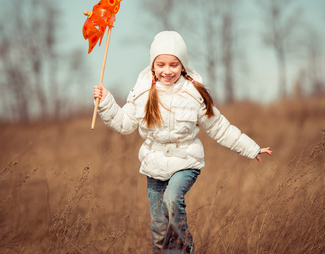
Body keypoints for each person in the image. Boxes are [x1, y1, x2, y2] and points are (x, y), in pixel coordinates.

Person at [93, 31, 272, 253]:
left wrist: (251, 148)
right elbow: (124, 123)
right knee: (159, 228)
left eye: (173, 65)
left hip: (186, 161)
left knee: (171, 198)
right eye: (161, 64)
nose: (167, 71)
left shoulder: (194, 94)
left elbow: (219, 127)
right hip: (154, 165)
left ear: (183, 66)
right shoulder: (142, 93)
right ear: (152, 66)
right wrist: (105, 102)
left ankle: (185, 249)